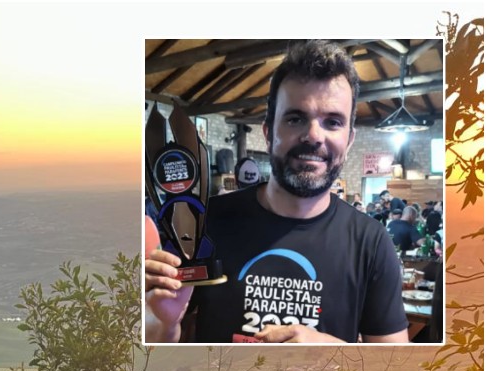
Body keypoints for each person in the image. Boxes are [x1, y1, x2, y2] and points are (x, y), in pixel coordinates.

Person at [146, 40, 408, 344]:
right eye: (295, 118)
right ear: (269, 132)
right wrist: (161, 324)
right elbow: (160, 346)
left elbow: (396, 370)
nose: (313, 135)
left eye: (332, 122)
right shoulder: (205, 223)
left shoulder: (372, 242)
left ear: (349, 140)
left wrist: (335, 352)